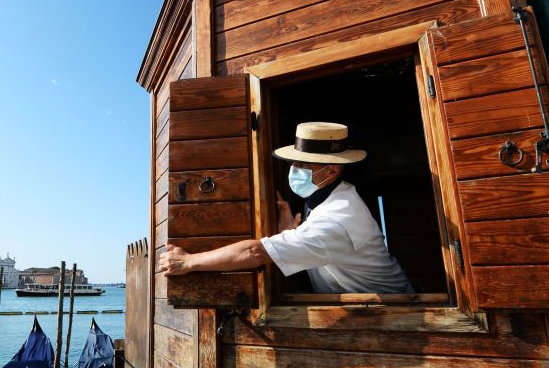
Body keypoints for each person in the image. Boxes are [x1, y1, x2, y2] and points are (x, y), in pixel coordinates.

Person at [159, 122, 413, 294]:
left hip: (400, 313)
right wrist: (287, 231)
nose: (294, 171)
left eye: (302, 165)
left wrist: (188, 262)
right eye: (294, 163)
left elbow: (256, 253)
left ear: (333, 170)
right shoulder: (329, 195)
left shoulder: (338, 219)